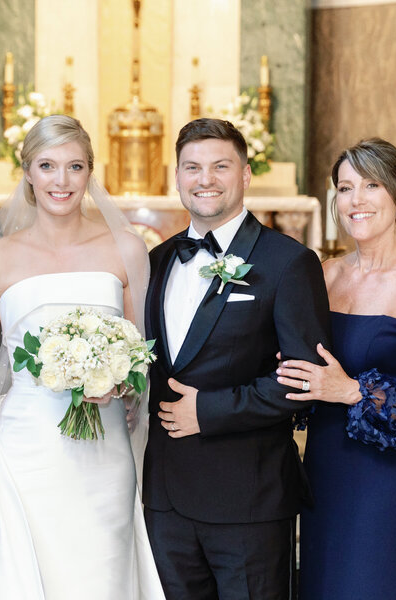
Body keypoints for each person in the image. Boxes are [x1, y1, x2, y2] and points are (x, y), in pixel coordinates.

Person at [0, 114, 165, 598]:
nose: (62, 181)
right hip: (23, 454)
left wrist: (117, 382)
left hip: (104, 457)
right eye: (48, 165)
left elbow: (143, 358)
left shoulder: (126, 249)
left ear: (89, 173)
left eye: (75, 167)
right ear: (28, 172)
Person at [143, 118, 331, 599]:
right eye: (193, 167)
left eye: (220, 166)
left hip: (248, 501)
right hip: (165, 500)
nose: (204, 178)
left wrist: (207, 410)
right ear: (177, 176)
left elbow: (304, 381)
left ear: (245, 175)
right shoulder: (157, 260)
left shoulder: (288, 263)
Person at [274, 138, 396, 599]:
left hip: (388, 482)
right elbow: (305, 368)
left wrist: (352, 391)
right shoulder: (325, 274)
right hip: (325, 471)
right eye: (345, 187)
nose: (356, 200)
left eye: (371, 185)